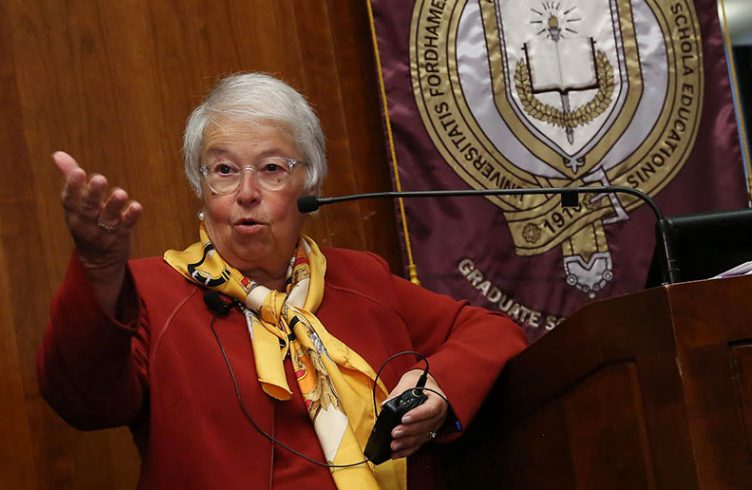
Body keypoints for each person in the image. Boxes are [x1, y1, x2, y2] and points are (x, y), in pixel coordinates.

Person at [37, 73, 527, 489]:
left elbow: (490, 331)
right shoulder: (150, 293)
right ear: (201, 187)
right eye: (224, 170)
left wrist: (437, 386)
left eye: (271, 169)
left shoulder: (361, 278)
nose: (246, 193)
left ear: (308, 183)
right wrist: (100, 272)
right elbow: (84, 401)